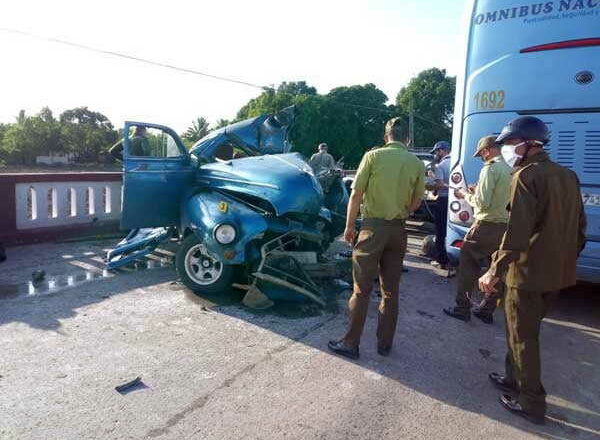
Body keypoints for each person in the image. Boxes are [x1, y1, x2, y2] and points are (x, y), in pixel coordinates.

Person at [478, 116, 587, 424]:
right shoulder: (567, 175)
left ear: (528, 145)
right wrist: (562, 261)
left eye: (510, 144)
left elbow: (516, 232)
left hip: (526, 275)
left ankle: (532, 404)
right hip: (555, 275)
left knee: (523, 337)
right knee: (521, 332)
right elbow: (580, 229)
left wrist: (494, 270)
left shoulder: (526, 176)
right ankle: (514, 381)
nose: (506, 150)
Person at [328, 117, 425, 359]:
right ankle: (384, 344)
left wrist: (349, 226)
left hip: (372, 229)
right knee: (390, 290)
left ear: (386, 136)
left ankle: (351, 343)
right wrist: (400, 208)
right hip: (399, 230)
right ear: (408, 139)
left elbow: (356, 194)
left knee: (361, 289)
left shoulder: (373, 157)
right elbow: (416, 202)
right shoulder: (416, 163)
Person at [443, 136, 512, 324]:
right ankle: (487, 309)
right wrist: (477, 191)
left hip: (485, 226)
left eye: (482, 154)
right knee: (496, 269)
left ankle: (461, 308)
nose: (482, 157)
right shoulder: (510, 169)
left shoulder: (490, 168)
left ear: (487, 150)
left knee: (468, 265)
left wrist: (464, 194)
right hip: (505, 228)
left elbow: (482, 203)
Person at [427, 141, 451, 270]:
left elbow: (439, 185)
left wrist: (429, 183)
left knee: (440, 231)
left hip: (443, 200)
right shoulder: (459, 162)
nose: (435, 154)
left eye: (436, 152)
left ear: (441, 151)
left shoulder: (440, 165)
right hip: (456, 201)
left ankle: (442, 260)